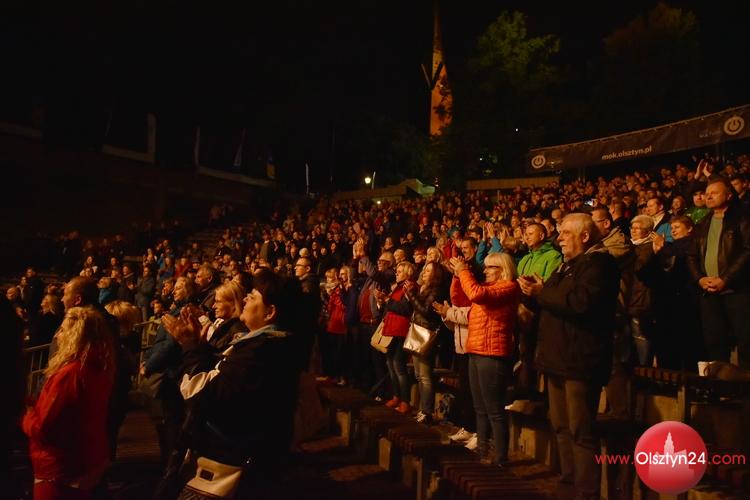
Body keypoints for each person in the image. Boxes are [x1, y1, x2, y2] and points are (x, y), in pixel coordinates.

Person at [162, 269, 302, 498]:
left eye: (253, 296)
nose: (245, 299)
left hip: (229, 464)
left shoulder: (259, 353)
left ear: (270, 312)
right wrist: (199, 347)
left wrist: (189, 346)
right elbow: (224, 378)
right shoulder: (264, 346)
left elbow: (203, 395)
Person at [518, 213, 619, 500]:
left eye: (565, 233)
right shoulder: (567, 265)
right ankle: (567, 484)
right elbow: (554, 300)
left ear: (584, 236)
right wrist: (535, 293)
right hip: (557, 360)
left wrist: (542, 291)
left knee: (580, 430)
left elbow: (580, 302)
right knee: (560, 426)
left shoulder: (600, 265)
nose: (559, 238)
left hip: (580, 362)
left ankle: (586, 492)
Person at [23, 306, 115, 500]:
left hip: (59, 467)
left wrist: (25, 413)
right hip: (85, 459)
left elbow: (44, 428)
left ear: (75, 335)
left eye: (63, 330)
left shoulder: (69, 374)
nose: (58, 335)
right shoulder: (98, 367)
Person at [451, 252, 519, 465]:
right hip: (476, 350)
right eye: (486, 266)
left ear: (503, 269)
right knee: (480, 407)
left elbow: (476, 294)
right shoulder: (488, 288)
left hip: (492, 353)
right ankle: (481, 451)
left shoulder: (508, 287)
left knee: (494, 409)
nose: (486, 270)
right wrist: (457, 275)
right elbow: (460, 296)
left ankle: (500, 458)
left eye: (491, 267)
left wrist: (463, 271)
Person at [687, 178, 750, 368]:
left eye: (714, 193)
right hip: (709, 291)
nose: (708, 196)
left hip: (737, 290)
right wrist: (699, 279)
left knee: (746, 341)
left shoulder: (742, 218)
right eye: (707, 193)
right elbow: (692, 255)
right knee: (714, 342)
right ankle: (720, 383)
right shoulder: (702, 223)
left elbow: (748, 251)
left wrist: (726, 279)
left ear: (729, 195)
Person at [404, 261, 447, 424]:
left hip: (425, 332)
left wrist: (412, 295)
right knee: (418, 374)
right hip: (417, 330)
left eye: (428, 270)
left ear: (435, 274)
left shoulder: (436, 290)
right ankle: (423, 409)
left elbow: (426, 311)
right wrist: (411, 295)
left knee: (425, 375)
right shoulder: (423, 288)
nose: (424, 272)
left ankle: (427, 411)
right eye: (424, 269)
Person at [382, 261, 416, 414]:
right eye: (397, 270)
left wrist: (387, 300)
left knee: (399, 366)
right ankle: (396, 396)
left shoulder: (409, 287)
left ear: (408, 273)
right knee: (390, 363)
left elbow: (405, 308)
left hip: (401, 329)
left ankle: (405, 401)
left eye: (401, 271)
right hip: (392, 328)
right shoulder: (397, 287)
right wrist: (383, 301)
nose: (397, 273)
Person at [202, 281, 247, 351]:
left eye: (218, 301)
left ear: (234, 304)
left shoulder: (237, 331)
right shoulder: (226, 326)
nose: (213, 306)